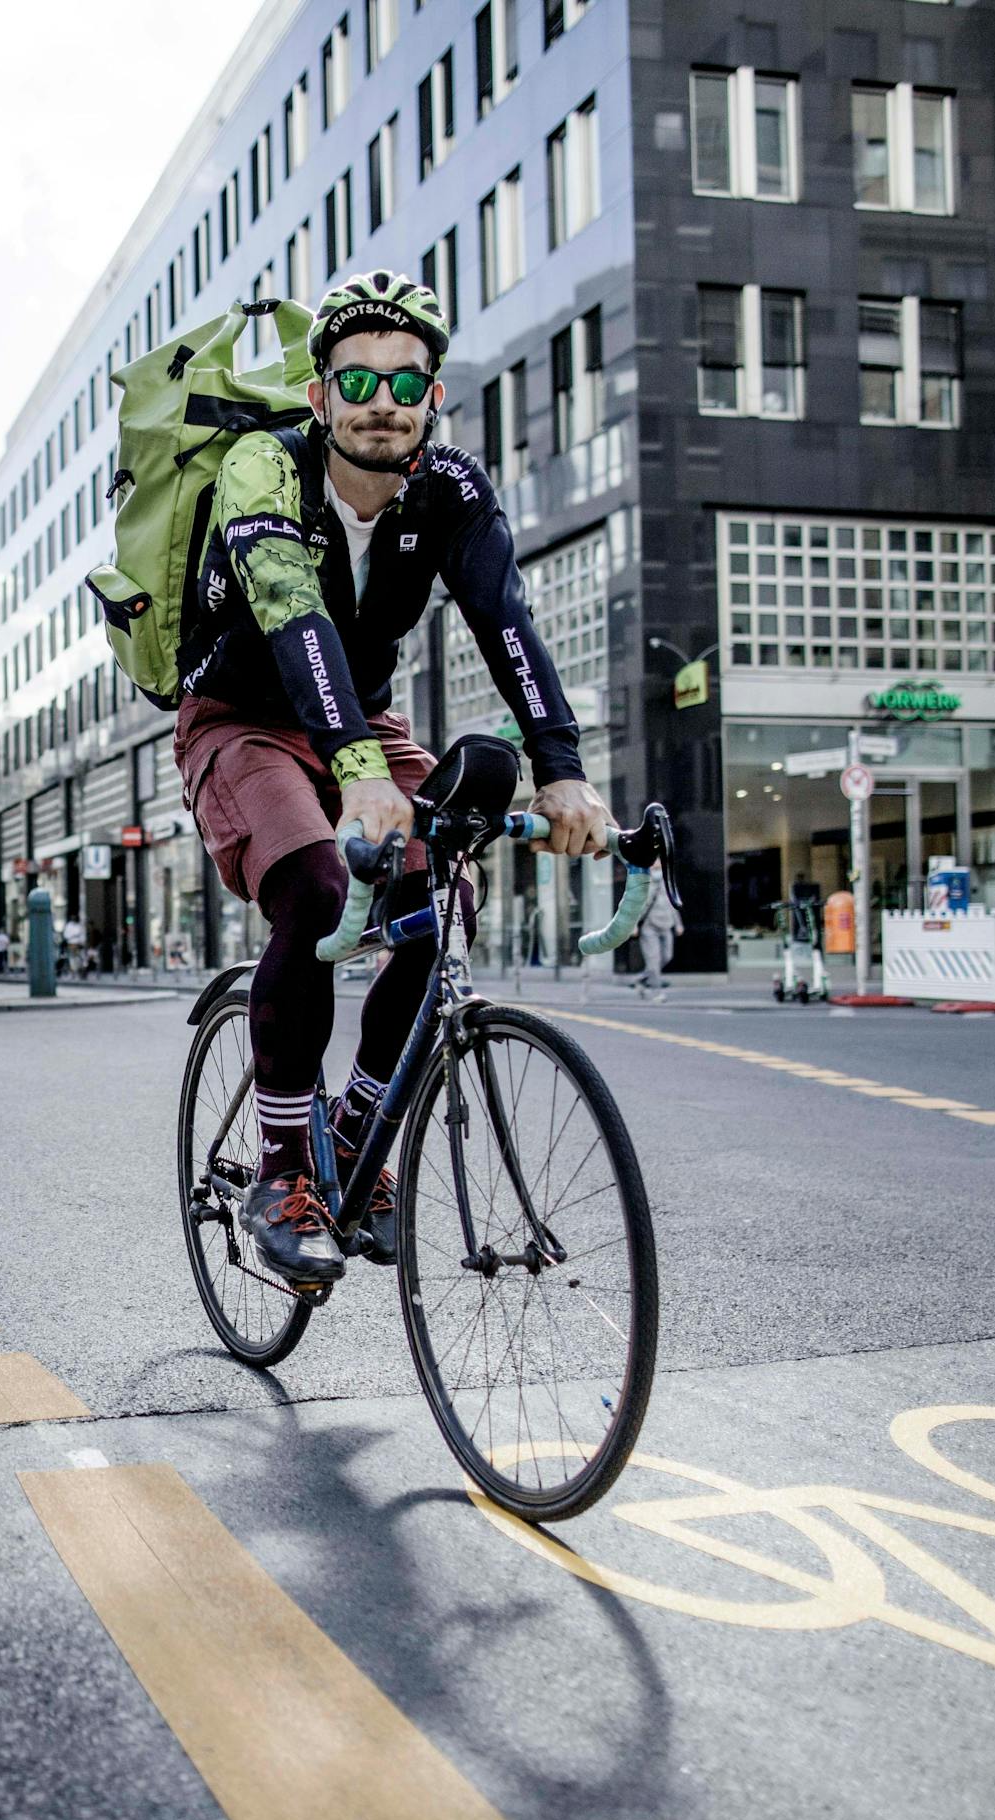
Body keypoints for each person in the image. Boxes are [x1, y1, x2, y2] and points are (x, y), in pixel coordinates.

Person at [172, 270, 609, 1285]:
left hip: (362, 718)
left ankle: (360, 1130)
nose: (381, 402)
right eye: (357, 380)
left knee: (434, 884)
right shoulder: (260, 467)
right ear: (319, 395)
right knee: (320, 884)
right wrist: (357, 770)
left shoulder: (450, 489)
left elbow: (506, 620)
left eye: (405, 385)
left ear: (432, 400)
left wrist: (561, 770)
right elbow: (290, 612)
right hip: (239, 716)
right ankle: (283, 1170)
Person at [633, 884, 684, 1001]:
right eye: (654, 864)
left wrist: (678, 924)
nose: (656, 865)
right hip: (649, 928)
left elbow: (674, 905)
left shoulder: (669, 883)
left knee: (667, 956)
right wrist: (634, 925)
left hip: (666, 926)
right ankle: (657, 993)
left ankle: (641, 979)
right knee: (653, 961)